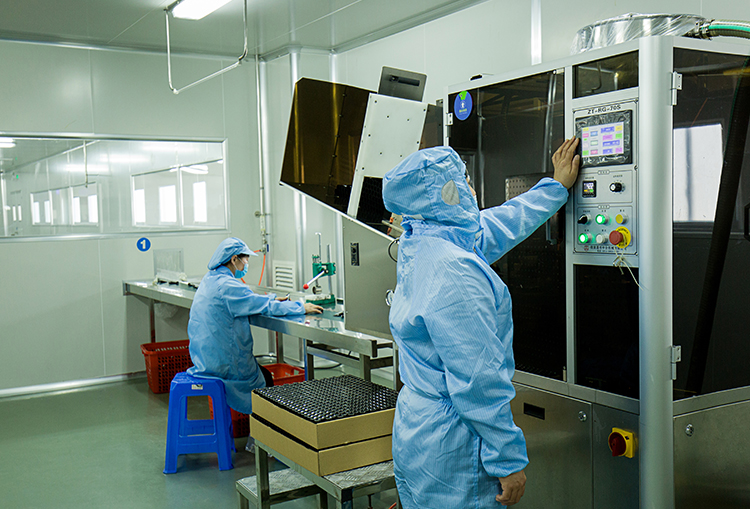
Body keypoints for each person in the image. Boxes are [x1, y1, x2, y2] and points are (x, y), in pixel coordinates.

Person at [381, 139, 580, 508]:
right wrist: (508, 460)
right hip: (456, 442)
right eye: (464, 180)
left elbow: (502, 222)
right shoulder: (454, 271)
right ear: (446, 193)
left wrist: (555, 188)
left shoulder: (422, 240)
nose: (471, 188)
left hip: (417, 431)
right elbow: (477, 380)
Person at [187, 238, 322, 426]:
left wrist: (271, 299)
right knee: (265, 379)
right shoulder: (227, 286)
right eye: (245, 259)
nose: (246, 264)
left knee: (263, 373)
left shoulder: (211, 280)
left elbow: (248, 300)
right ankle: (265, 433)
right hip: (223, 365)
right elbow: (264, 307)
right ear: (234, 259)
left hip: (204, 358)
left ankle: (262, 432)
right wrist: (300, 307)